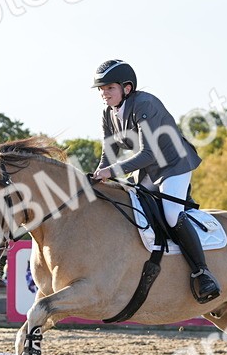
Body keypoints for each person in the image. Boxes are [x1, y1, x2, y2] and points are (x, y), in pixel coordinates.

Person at [89, 59, 220, 303]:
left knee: (171, 214)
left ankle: (203, 273)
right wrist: (99, 177)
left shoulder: (145, 104)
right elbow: (109, 154)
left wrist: (112, 170)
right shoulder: (108, 113)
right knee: (133, 206)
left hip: (173, 165)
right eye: (101, 89)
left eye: (109, 88)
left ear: (126, 88)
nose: (103, 94)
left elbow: (148, 153)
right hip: (148, 169)